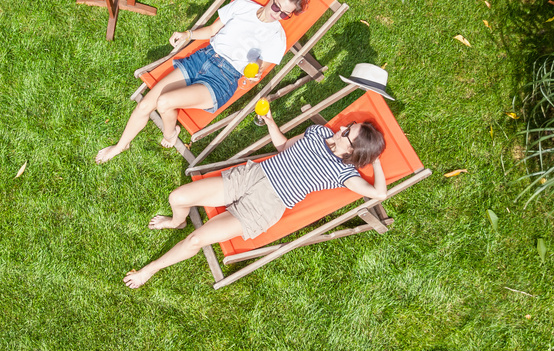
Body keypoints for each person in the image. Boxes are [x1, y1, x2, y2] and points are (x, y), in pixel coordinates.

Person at [123, 110, 388, 288]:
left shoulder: (344, 172)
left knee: (197, 239)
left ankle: (151, 269)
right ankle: (177, 221)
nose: (342, 127)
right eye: (350, 125)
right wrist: (271, 121)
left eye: (348, 133)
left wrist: (375, 161)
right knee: (177, 197)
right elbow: (284, 147)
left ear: (352, 151)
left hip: (265, 206)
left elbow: (379, 193)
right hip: (252, 176)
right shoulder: (318, 132)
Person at [95, 0, 310, 163]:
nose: (278, 14)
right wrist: (187, 34)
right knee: (145, 105)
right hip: (202, 58)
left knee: (164, 102)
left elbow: (259, 71)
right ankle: (120, 146)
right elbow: (213, 30)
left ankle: (171, 134)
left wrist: (253, 74)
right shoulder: (243, 6)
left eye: (285, 14)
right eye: (277, 7)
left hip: (223, 79)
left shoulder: (277, 37)